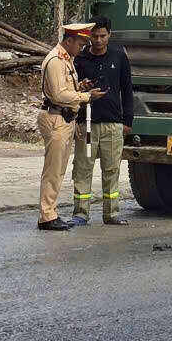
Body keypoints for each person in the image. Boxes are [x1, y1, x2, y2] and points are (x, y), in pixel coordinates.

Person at [36, 23, 105, 232]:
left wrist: (80, 87)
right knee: (53, 170)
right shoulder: (57, 60)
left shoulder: (66, 59)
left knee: (57, 170)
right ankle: (47, 216)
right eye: (81, 43)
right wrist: (86, 96)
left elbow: (65, 89)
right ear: (69, 41)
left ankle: (50, 212)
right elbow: (58, 95)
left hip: (63, 118)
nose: (82, 47)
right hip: (56, 117)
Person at [72, 17, 134, 226]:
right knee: (83, 168)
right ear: (88, 35)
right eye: (94, 36)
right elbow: (71, 90)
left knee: (111, 170)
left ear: (110, 35)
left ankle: (112, 214)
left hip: (113, 125)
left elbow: (127, 90)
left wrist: (127, 121)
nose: (98, 40)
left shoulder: (119, 56)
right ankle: (80, 214)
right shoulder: (79, 59)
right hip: (87, 124)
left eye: (103, 36)